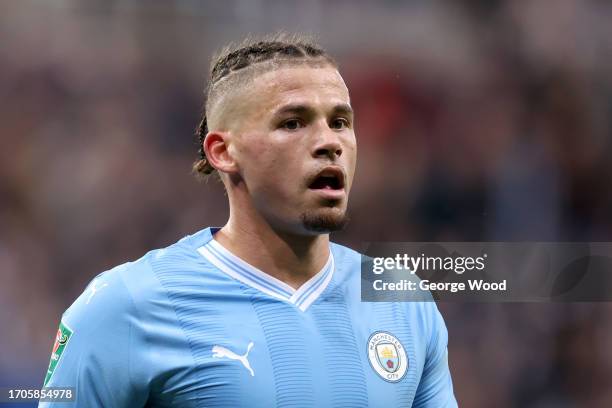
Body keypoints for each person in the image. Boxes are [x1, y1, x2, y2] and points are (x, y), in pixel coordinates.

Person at [40, 33, 457, 407]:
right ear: (223, 151)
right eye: (292, 123)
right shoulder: (128, 304)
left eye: (340, 122)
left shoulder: (404, 301)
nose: (329, 142)